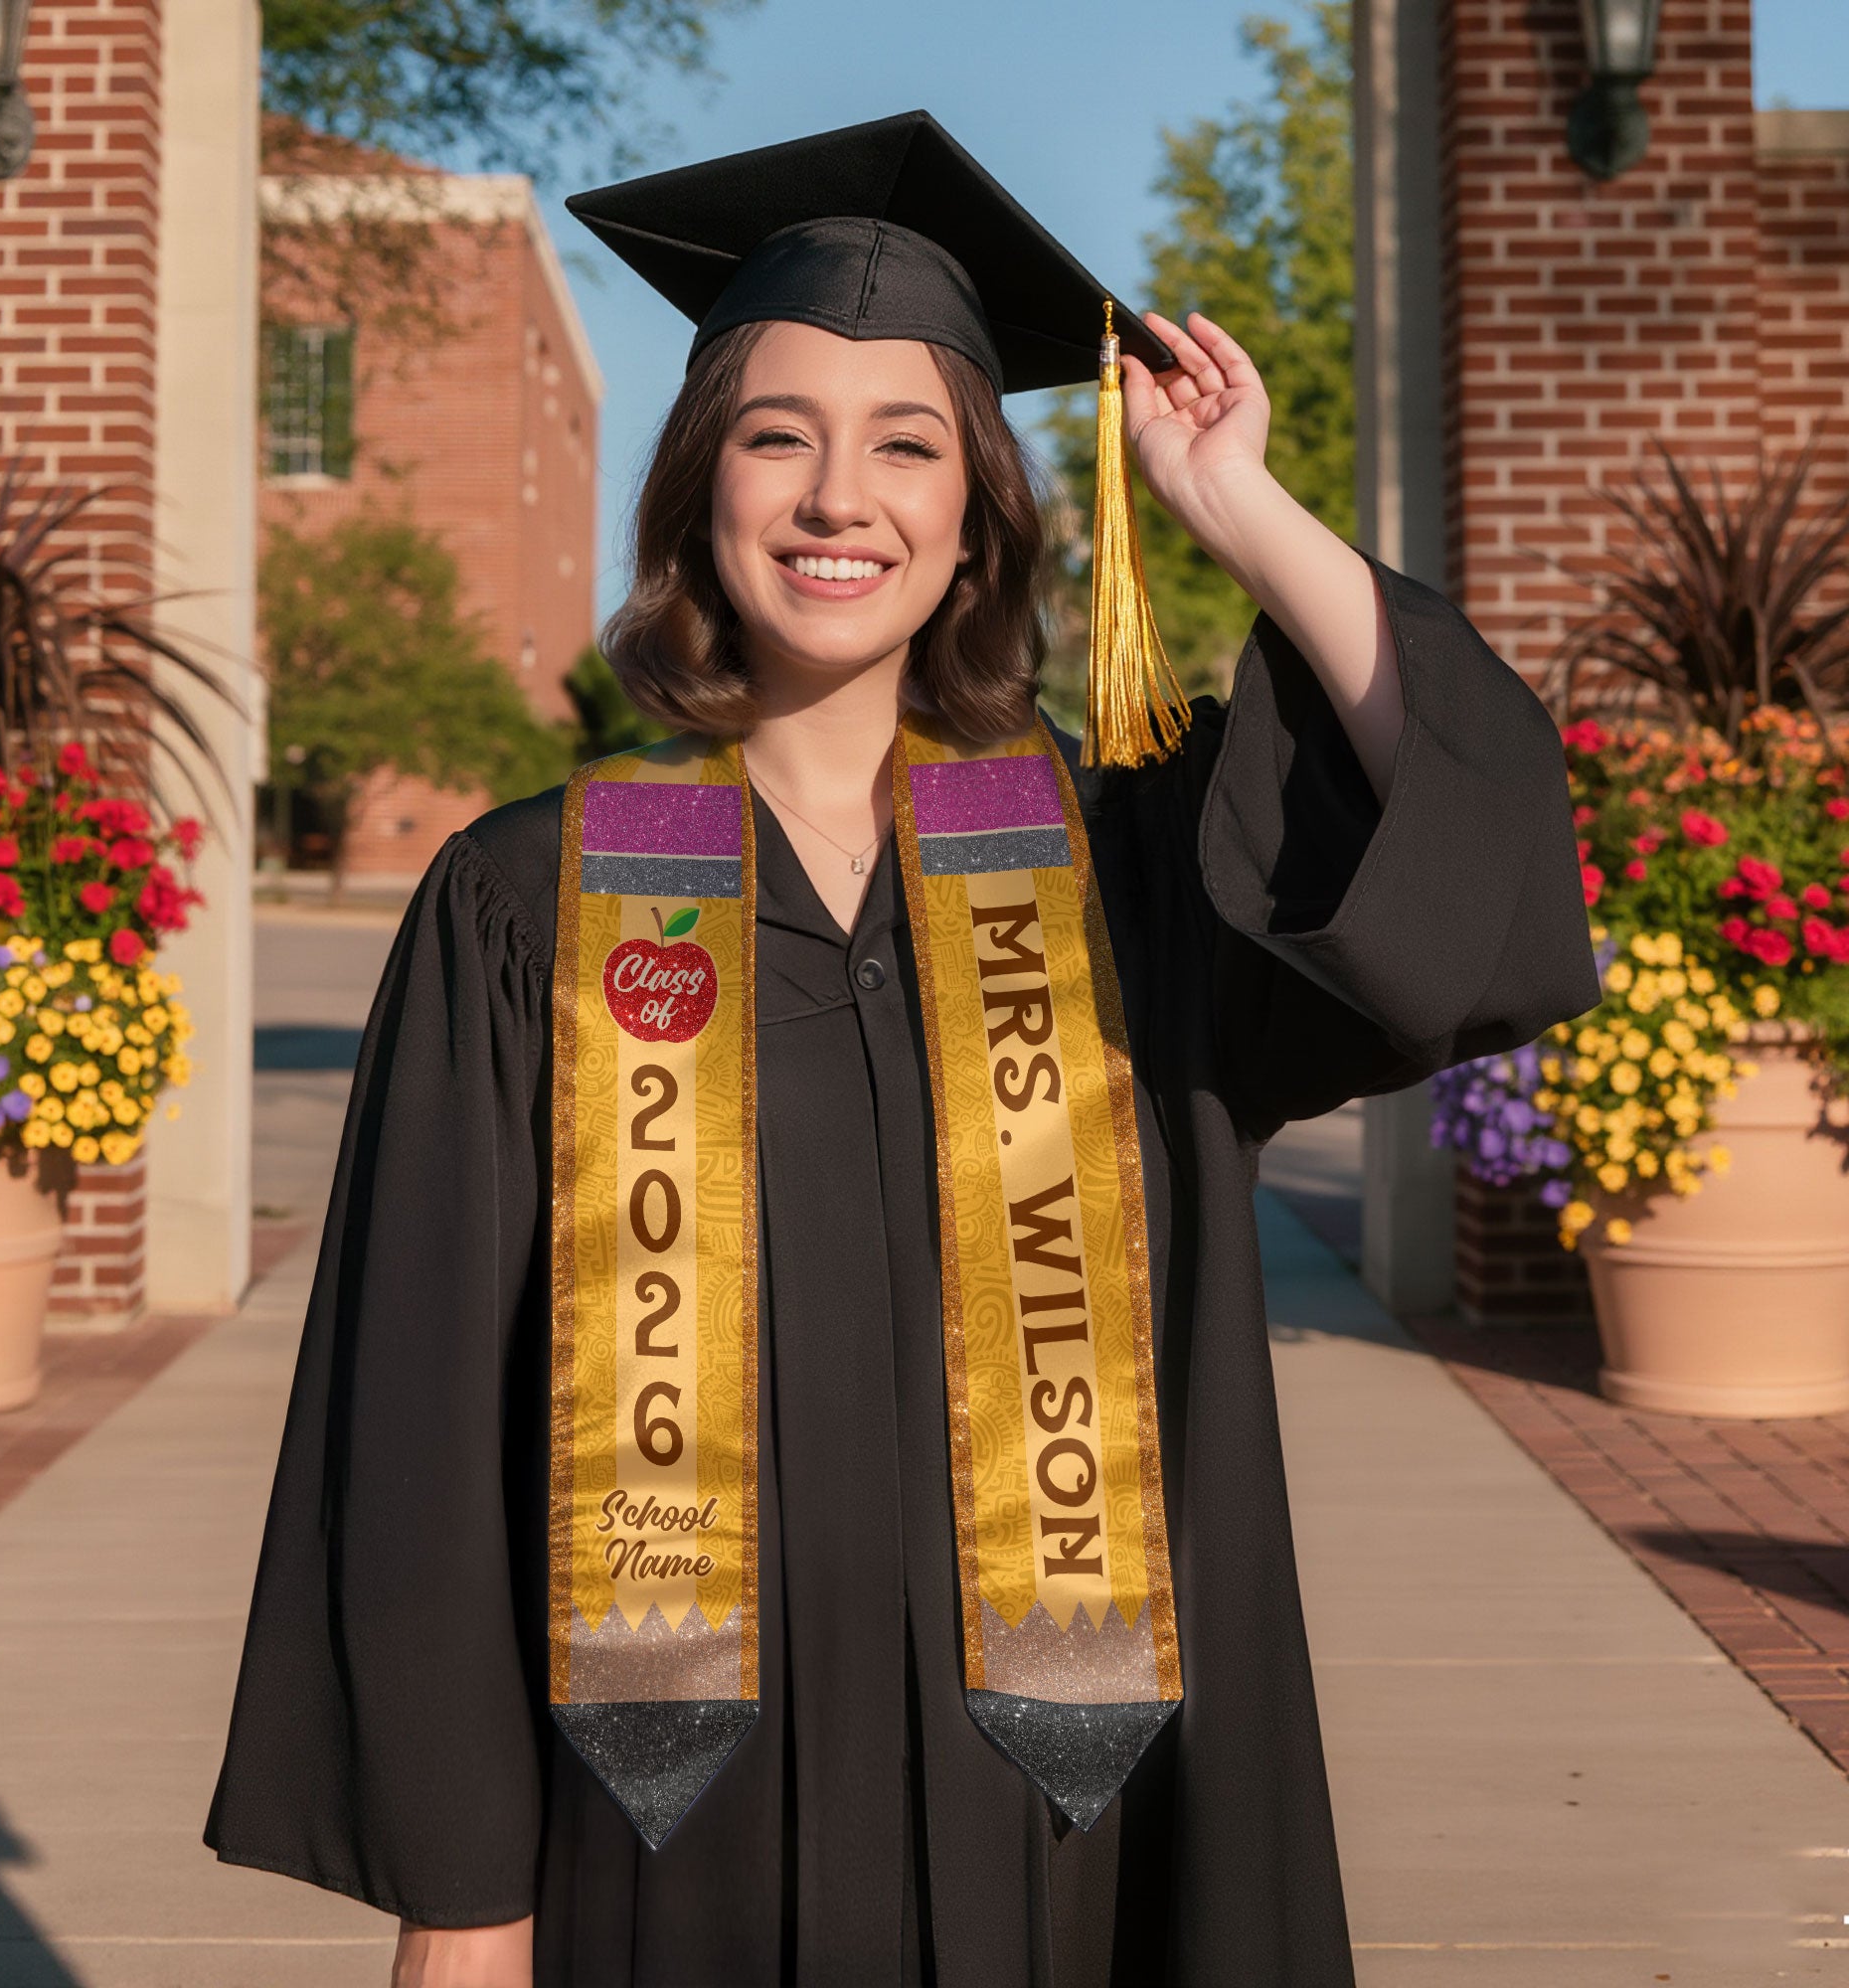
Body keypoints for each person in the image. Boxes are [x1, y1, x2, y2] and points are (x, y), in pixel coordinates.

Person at [203, 112, 1599, 1987]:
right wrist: (463, 1898)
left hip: (1080, 1839)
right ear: (703, 487)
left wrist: (1235, 505)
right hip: (660, 1836)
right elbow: (422, 1428)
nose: (836, 497)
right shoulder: (529, 902)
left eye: (907, 445)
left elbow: (1467, 855)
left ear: (975, 521)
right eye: (779, 436)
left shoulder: (1129, 882)